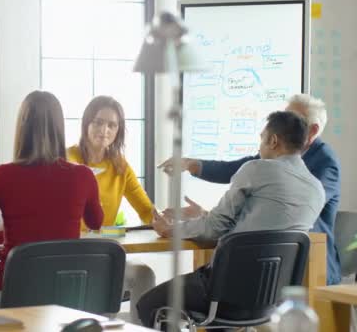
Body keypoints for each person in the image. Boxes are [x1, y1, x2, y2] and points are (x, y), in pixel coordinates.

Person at [137, 111, 325, 328]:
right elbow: (265, 228)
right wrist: (204, 215)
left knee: (148, 304)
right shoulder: (316, 190)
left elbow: (215, 228)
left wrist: (170, 230)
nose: (259, 147)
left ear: (273, 141)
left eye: (261, 139)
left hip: (223, 292)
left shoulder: (255, 169)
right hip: (271, 301)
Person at [158, 94, 341, 285]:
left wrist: (202, 222)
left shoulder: (323, 165)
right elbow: (239, 171)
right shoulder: (271, 160)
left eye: (293, 118)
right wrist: (192, 165)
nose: (284, 122)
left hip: (310, 264)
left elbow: (290, 211)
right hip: (269, 266)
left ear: (313, 130)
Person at [0, 90, 103, 308]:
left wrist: (3, 239)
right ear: (59, 128)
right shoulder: (84, 175)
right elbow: (96, 222)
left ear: (21, 129)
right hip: (66, 301)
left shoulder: (1, 175)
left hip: (15, 297)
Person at [67, 96, 155, 324]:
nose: (104, 130)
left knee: (145, 274)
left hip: (104, 253)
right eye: (97, 122)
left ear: (118, 130)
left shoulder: (120, 166)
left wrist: (166, 220)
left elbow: (146, 209)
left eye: (112, 125)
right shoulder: (68, 158)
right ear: (86, 124)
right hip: (71, 252)